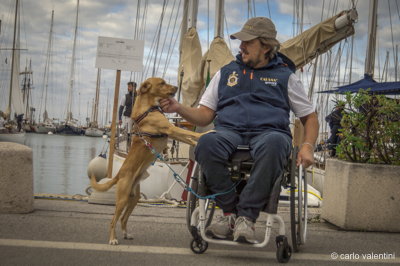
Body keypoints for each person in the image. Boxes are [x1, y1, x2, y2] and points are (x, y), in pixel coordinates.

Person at [160, 17, 319, 244]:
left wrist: (307, 146)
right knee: (205, 143)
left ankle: (246, 216)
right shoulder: (226, 73)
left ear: (265, 46)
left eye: (248, 42)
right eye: (240, 42)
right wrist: (178, 107)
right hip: (229, 132)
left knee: (276, 143)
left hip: (269, 133)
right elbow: (205, 114)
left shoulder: (286, 77)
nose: (241, 47)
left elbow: (310, 117)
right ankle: (229, 212)